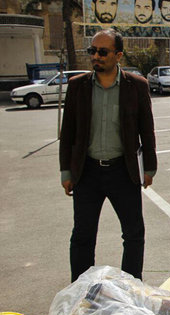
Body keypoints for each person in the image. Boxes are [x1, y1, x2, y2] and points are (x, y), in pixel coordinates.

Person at [59, 29, 157, 282]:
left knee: (134, 234)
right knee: (82, 235)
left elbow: (147, 130)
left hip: (123, 171)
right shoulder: (77, 86)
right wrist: (66, 171)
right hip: (87, 172)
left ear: (118, 55)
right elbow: (67, 133)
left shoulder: (136, 86)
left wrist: (149, 168)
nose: (96, 57)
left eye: (103, 52)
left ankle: (131, 288)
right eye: (92, 51)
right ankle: (81, 293)